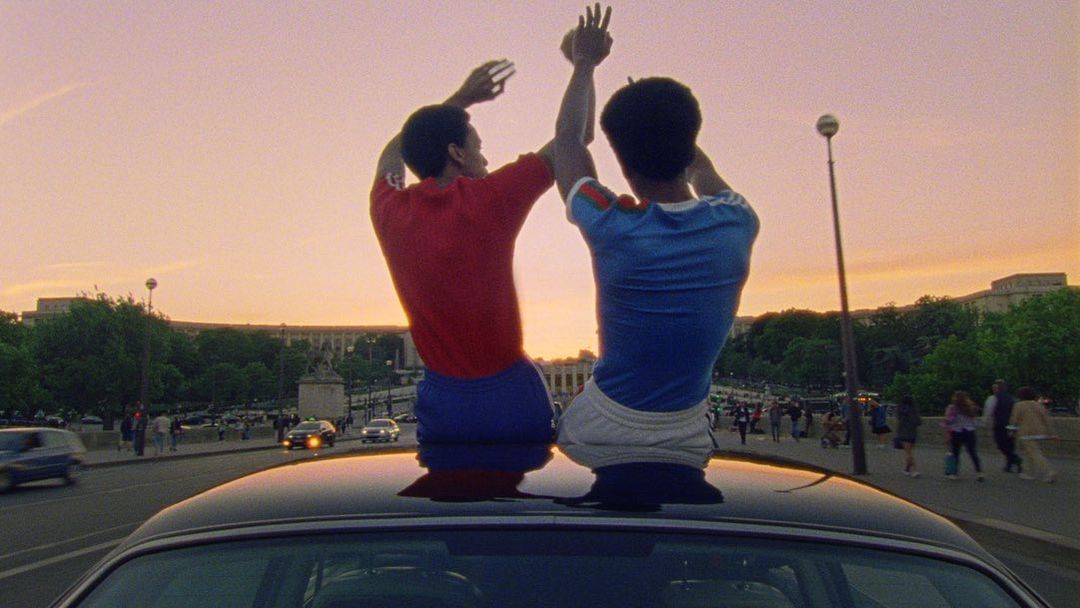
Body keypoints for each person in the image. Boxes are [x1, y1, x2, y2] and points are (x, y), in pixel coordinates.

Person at [553, 5, 758, 451]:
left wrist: (584, 64)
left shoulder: (612, 224)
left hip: (605, 423)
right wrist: (663, 123)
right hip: (687, 427)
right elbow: (703, 172)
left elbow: (567, 141)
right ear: (690, 140)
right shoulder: (738, 220)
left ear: (623, 166)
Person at [371, 57, 566, 445]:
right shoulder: (490, 198)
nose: (486, 158)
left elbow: (393, 151)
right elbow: (571, 139)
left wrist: (460, 99)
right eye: (478, 146)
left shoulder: (388, 209)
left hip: (444, 404)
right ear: (457, 154)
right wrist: (584, 65)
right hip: (512, 397)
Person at [1009, 387, 1057, 483]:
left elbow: (1014, 420)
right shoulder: (1038, 405)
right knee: (1029, 452)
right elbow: (1046, 419)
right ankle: (1028, 473)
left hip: (1025, 432)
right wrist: (1052, 433)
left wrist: (1011, 431)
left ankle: (1049, 471)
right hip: (1039, 431)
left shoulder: (1018, 405)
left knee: (1034, 453)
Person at [944, 390, 983, 481]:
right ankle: (979, 472)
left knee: (956, 453)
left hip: (957, 432)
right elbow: (974, 420)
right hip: (969, 431)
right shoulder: (970, 407)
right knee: (972, 452)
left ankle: (954, 473)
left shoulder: (952, 408)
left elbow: (948, 421)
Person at [983, 380, 1021, 473]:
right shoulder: (1012, 399)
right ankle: (1009, 465)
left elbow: (988, 412)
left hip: (999, 424)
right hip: (1012, 425)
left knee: (1001, 444)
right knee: (1010, 445)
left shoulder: (993, 398)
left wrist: (985, 423)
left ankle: (1015, 459)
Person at [895, 395, 922, 477]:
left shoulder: (900, 409)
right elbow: (919, 422)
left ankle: (914, 470)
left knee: (908, 453)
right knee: (910, 452)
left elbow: (898, 419)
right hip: (913, 433)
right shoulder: (914, 410)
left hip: (903, 432)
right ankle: (907, 469)